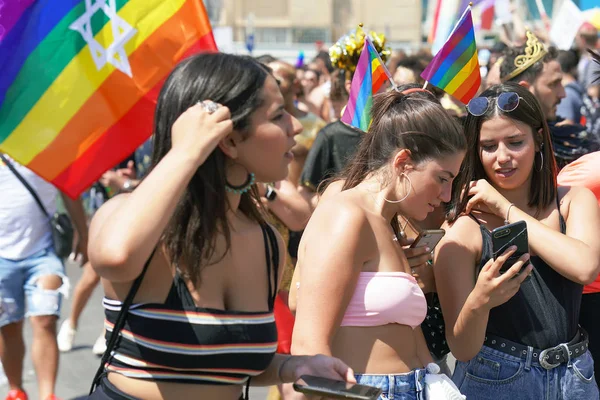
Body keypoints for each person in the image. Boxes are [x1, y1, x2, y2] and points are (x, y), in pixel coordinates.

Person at [86, 52, 355, 400]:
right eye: (277, 115)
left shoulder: (265, 239)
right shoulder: (127, 217)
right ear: (227, 139)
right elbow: (114, 258)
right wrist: (186, 152)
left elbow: (225, 363)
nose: (296, 125)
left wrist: (293, 367)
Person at [291, 85, 467, 400]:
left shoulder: (387, 224)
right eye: (442, 178)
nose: (446, 197)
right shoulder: (348, 215)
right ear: (403, 163)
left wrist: (436, 378)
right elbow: (308, 345)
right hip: (367, 391)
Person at [435, 83, 600, 399]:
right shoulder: (464, 228)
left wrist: (505, 209)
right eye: (488, 146)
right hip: (497, 379)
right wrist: (481, 300)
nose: (502, 158)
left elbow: (584, 268)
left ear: (539, 138)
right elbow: (462, 346)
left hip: (576, 376)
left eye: (515, 142)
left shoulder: (573, 201)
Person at [0, 154, 88, 400]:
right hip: (1, 257)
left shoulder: (44, 147)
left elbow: (70, 191)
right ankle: (16, 391)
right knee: (8, 325)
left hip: (43, 252)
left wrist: (84, 234)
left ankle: (47, 395)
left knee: (45, 319)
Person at [499, 30, 598, 168]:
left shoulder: (568, 144)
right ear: (526, 90)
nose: (563, 94)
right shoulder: (498, 153)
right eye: (553, 84)